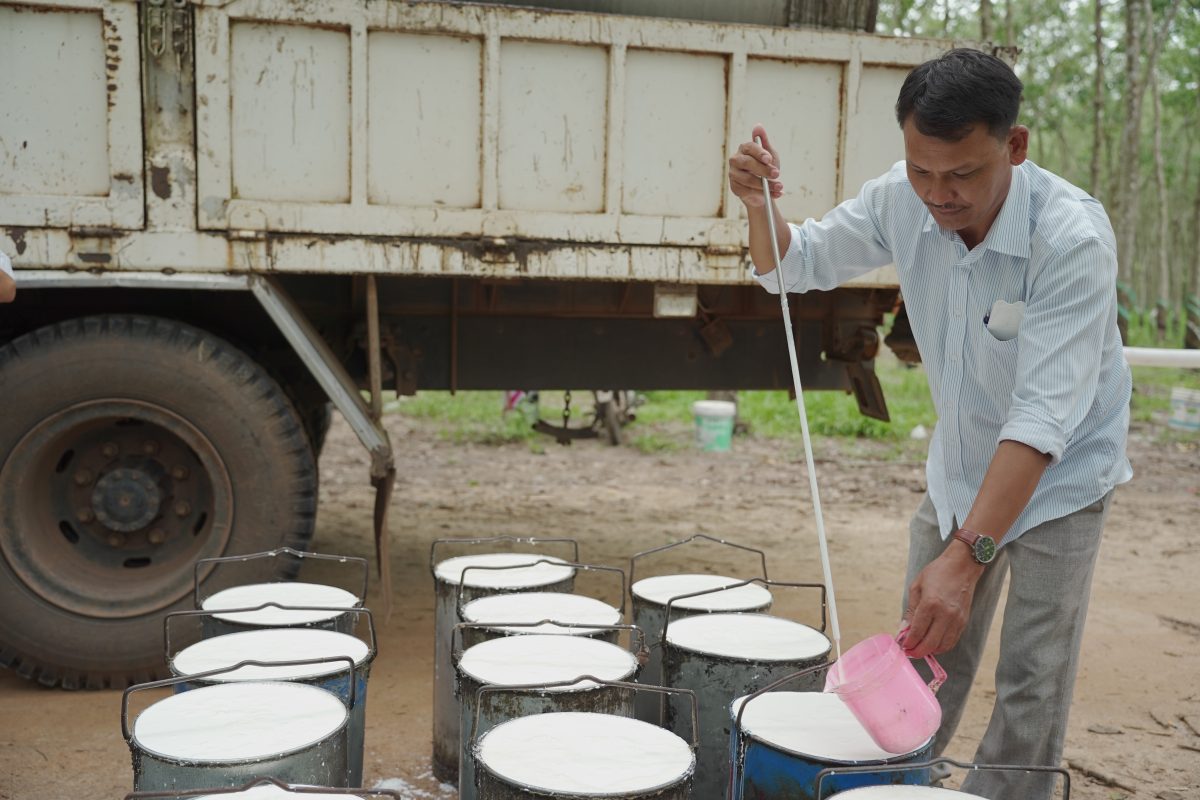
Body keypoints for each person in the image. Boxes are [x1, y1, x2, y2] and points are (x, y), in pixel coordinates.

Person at [728, 48, 1131, 799]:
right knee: (921, 659)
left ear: (1015, 147)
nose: (938, 196)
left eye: (962, 175)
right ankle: (900, 784)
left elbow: (1043, 418)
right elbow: (793, 266)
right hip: (961, 466)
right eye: (922, 170)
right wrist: (761, 209)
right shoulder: (901, 199)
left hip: (1063, 478)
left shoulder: (1071, 239)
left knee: (1030, 685)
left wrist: (966, 556)